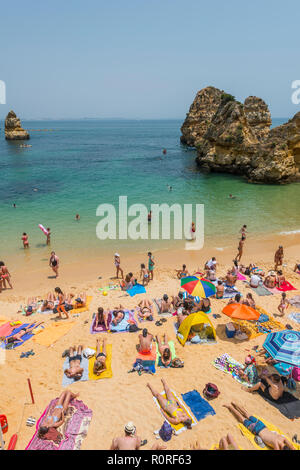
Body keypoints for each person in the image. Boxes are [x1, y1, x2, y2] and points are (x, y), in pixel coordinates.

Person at [224, 402, 294, 450]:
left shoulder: (282, 438)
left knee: (248, 414)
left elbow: (292, 446)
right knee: (242, 419)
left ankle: (235, 403)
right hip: (257, 430)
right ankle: (230, 407)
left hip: (262, 426)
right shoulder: (276, 443)